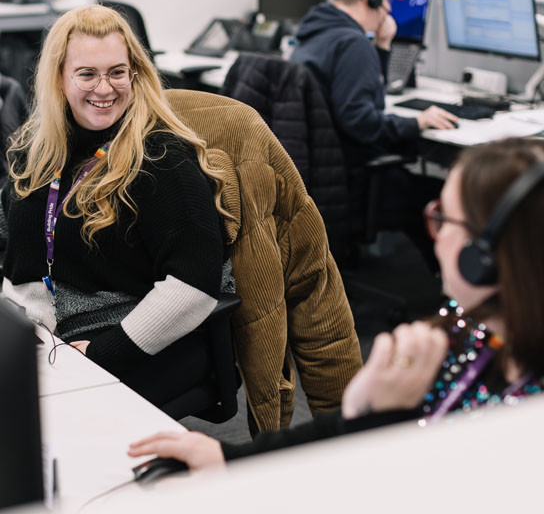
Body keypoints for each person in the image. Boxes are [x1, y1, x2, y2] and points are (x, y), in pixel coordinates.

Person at [128, 137, 544, 469]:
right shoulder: (464, 335)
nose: (433, 234)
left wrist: (378, 415)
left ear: (486, 255)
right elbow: (338, 439)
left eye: (443, 218)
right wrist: (228, 458)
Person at [0, 5, 230, 394]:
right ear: (59, 78)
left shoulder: (159, 158)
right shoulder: (36, 150)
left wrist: (104, 354)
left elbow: (194, 283)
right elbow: (25, 259)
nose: (104, 89)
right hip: (56, 335)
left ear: (134, 73)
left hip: (136, 337)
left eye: (117, 72)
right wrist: (32, 336)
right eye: (87, 74)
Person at [290, 0, 458, 267]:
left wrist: (380, 47)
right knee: (436, 195)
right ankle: (445, 287)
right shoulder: (352, 43)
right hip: (351, 179)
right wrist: (416, 123)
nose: (390, 8)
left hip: (319, 173)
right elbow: (363, 122)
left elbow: (368, 103)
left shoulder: (314, 31)